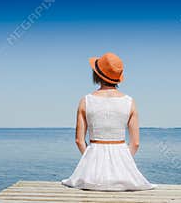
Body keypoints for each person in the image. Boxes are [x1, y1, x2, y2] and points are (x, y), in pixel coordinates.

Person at [61, 52, 156, 191]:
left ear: (97, 75)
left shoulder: (85, 101)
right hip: (123, 172)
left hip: (91, 175)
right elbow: (135, 143)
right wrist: (122, 163)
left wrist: (91, 162)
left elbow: (79, 140)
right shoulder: (129, 102)